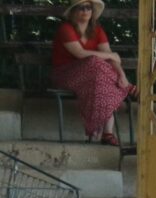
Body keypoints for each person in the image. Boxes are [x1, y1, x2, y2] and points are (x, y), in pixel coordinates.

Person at [51, 0, 136, 146]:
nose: (85, 11)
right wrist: (110, 56)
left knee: (105, 83)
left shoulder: (97, 30)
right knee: (94, 62)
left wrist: (122, 76)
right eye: (81, 8)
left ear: (92, 12)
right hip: (65, 74)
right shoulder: (66, 29)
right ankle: (128, 89)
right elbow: (80, 53)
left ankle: (107, 134)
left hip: (92, 76)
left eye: (88, 8)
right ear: (73, 12)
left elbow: (110, 55)